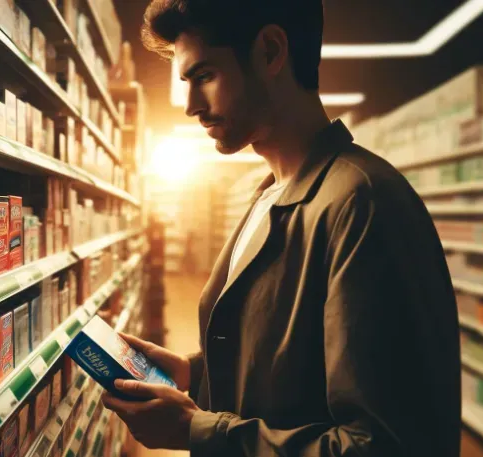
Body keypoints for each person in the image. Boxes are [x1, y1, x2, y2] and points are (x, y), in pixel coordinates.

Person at [100, 1, 461, 456]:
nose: (191, 106)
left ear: (270, 52)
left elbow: (387, 445)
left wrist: (196, 431)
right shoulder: (268, 193)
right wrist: (195, 372)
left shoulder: (363, 203)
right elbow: (294, 371)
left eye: (204, 76)